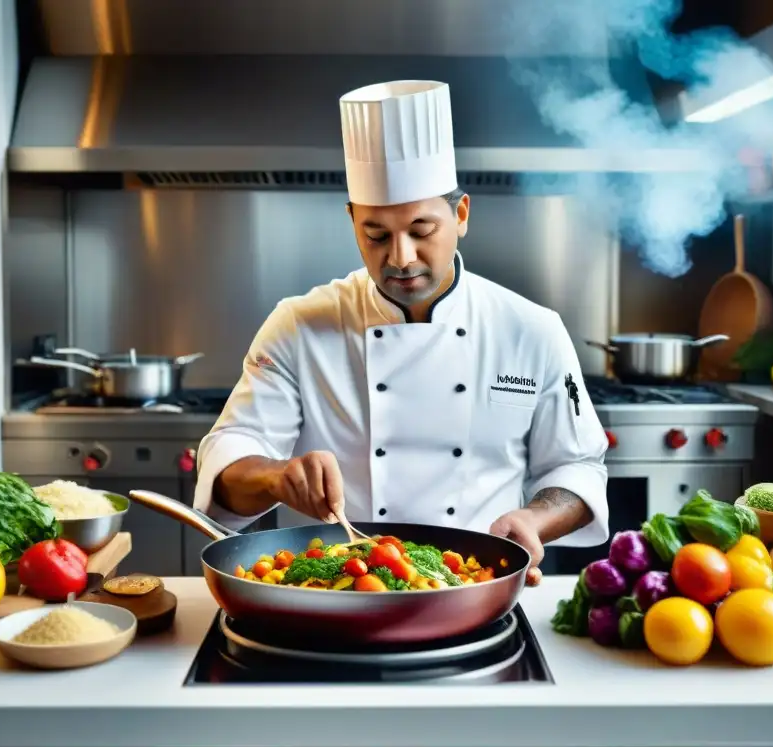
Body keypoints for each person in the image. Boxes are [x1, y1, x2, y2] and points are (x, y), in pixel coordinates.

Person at [193, 80, 609, 585]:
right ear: (352, 223)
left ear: (460, 215)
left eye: (420, 230)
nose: (400, 257)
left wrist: (534, 520)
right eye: (377, 235)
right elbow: (231, 457)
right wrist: (277, 478)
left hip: (476, 590)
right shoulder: (299, 326)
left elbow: (578, 469)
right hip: (331, 595)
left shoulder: (531, 329)